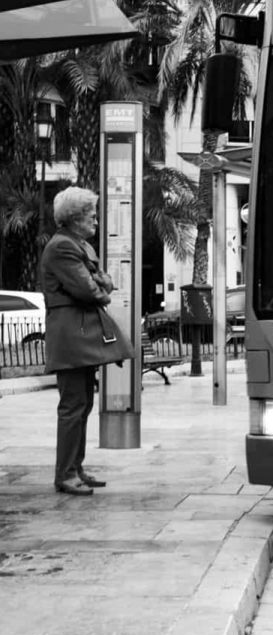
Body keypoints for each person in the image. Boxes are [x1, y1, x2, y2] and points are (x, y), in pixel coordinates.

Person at [40, 187, 134, 496]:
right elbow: (89, 289)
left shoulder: (77, 245)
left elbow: (102, 279)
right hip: (70, 334)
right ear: (73, 218)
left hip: (79, 333)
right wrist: (101, 289)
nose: (95, 218)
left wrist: (99, 283)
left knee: (83, 403)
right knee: (73, 405)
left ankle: (75, 468)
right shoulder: (63, 247)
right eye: (89, 214)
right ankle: (65, 473)